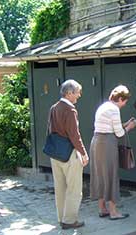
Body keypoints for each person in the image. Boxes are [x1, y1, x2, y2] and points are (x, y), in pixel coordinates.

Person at [90, 85, 136, 220]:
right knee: (110, 175)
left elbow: (109, 126)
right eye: (125, 101)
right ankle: (113, 212)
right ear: (120, 99)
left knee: (100, 176)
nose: (125, 104)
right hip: (107, 144)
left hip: (96, 142)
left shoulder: (104, 106)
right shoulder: (114, 109)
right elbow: (119, 133)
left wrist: (124, 123)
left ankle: (102, 208)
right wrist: (130, 127)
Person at [47, 79, 89, 230]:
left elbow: (50, 130)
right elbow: (74, 135)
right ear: (69, 93)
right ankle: (70, 220)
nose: (79, 95)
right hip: (69, 153)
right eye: (78, 92)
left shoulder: (54, 107)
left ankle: (61, 217)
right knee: (74, 188)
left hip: (55, 152)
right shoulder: (70, 110)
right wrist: (83, 153)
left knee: (60, 187)